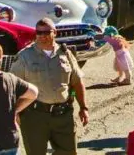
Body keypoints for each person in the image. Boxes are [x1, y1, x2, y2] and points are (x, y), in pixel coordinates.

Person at [11, 18, 89, 155]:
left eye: (46, 32)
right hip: (34, 116)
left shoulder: (66, 54)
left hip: (63, 115)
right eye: (39, 33)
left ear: (55, 33)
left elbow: (77, 82)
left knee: (69, 152)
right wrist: (15, 112)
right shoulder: (25, 56)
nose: (42, 36)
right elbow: (13, 87)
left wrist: (83, 107)